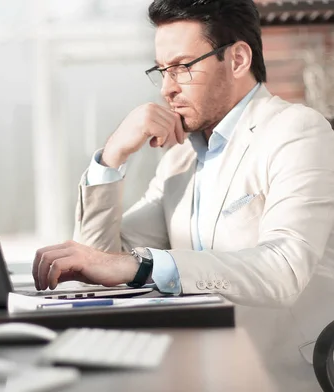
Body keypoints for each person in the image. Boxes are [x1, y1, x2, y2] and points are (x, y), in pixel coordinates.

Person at [32, 0, 334, 389]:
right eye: (162, 70)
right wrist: (112, 157)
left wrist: (142, 266)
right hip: (197, 369)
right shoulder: (179, 159)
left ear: (238, 59)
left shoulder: (297, 131)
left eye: (182, 67)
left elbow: (282, 269)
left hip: (280, 377)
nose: (167, 87)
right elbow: (98, 262)